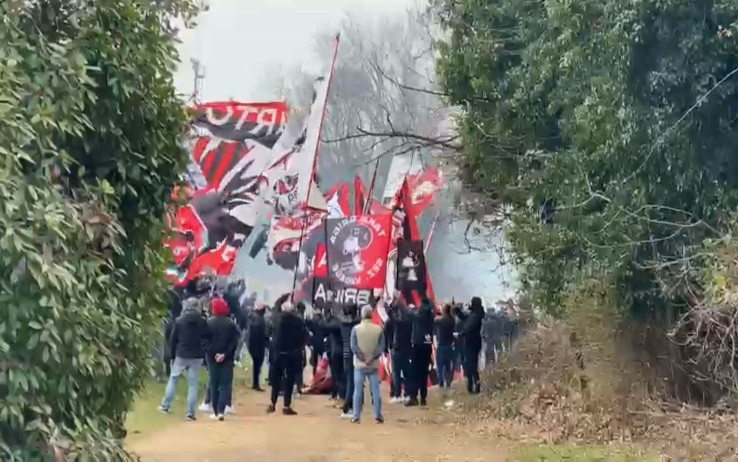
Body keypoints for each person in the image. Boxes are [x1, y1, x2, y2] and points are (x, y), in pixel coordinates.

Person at [159, 297, 210, 421]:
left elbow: (173, 339)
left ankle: (165, 406)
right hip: (196, 354)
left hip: (181, 353)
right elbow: (207, 336)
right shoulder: (202, 321)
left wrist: (172, 355)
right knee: (193, 384)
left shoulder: (179, 320)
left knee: (173, 379)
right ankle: (190, 413)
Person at [267, 302, 306, 415]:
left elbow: (270, 335)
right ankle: (286, 405)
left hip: (277, 354)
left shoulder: (276, 320)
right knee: (289, 381)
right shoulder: (298, 322)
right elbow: (302, 338)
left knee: (276, 381)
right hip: (291, 355)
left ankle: (272, 403)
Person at [349, 305, 385, 424]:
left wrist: (362, 357)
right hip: (373, 364)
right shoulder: (378, 329)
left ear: (362, 314)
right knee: (375, 391)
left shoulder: (356, 329)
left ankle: (356, 415)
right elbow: (381, 347)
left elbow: (353, 346)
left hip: (359, 364)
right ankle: (377, 415)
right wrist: (372, 357)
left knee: (358, 390)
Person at [206, 297, 239, 421]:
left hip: (212, 357)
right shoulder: (231, 323)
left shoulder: (208, 323)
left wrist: (213, 353)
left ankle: (215, 410)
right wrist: (225, 354)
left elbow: (204, 341)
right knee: (225, 384)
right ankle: (221, 411)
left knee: (214, 383)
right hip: (227, 358)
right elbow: (234, 342)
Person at [405, 296, 434, 407]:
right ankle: (423, 397)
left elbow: (408, 315)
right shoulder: (430, 316)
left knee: (414, 372)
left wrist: (403, 306)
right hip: (427, 346)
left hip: (417, 345)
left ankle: (413, 396)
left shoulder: (419, 317)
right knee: (424, 373)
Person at [387, 294, 412, 404]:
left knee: (396, 373)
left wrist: (390, 304)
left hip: (397, 349)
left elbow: (390, 314)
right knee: (406, 373)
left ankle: (397, 394)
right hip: (407, 349)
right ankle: (407, 393)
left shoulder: (396, 321)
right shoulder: (409, 321)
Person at [456, 296, 484, 394]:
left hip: (471, 342)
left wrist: (461, 333)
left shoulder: (475, 315)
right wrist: (457, 311)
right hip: (474, 342)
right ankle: (473, 384)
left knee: (471, 365)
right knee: (471, 365)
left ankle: (474, 385)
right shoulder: (476, 314)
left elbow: (468, 326)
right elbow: (465, 320)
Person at [340, 304, 360, 418]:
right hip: (354, 356)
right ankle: (348, 406)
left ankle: (350, 405)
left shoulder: (343, 324)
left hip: (345, 355)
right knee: (352, 382)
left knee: (349, 381)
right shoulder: (356, 325)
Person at [321, 307, 344, 404]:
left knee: (339, 376)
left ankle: (341, 397)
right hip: (333, 352)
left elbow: (325, 327)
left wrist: (316, 321)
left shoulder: (336, 323)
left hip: (337, 353)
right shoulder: (335, 322)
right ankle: (336, 395)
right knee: (335, 376)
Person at [434, 303, 456, 390]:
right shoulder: (452, 320)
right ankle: (448, 383)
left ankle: (441, 383)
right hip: (449, 345)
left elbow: (434, 320)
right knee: (447, 366)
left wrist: (436, 310)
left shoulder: (441, 320)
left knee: (440, 366)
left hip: (441, 346)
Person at [248, 303, 268, 391]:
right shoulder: (258, 319)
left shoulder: (254, 317)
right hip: (257, 345)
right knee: (257, 364)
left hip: (253, 344)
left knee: (256, 365)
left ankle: (255, 383)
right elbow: (258, 333)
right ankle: (256, 384)